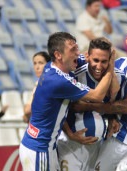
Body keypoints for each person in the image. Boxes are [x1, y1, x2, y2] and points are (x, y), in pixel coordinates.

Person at [72, 19, 127, 170]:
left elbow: (125, 106)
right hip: (112, 138)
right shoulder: (119, 64)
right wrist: (112, 117)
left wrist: (85, 106)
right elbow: (110, 97)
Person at [19, 31, 114, 170]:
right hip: (39, 150)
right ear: (58, 55)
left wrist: (70, 134)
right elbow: (97, 96)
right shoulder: (59, 81)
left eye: (76, 48)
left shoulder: (55, 67)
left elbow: (58, 112)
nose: (77, 53)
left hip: (45, 146)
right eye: (73, 50)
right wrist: (110, 67)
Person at [57, 37, 125, 171]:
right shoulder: (74, 74)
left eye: (104, 61)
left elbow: (116, 104)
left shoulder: (118, 77)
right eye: (96, 60)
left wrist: (113, 117)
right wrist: (70, 134)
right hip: (70, 143)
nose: (99, 66)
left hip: (97, 146)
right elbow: (59, 108)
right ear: (87, 56)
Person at [23, 51, 50, 123]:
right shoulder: (38, 83)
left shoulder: (46, 84)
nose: (37, 67)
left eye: (40, 63)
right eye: (35, 63)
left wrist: (27, 114)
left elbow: (27, 110)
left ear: (48, 65)